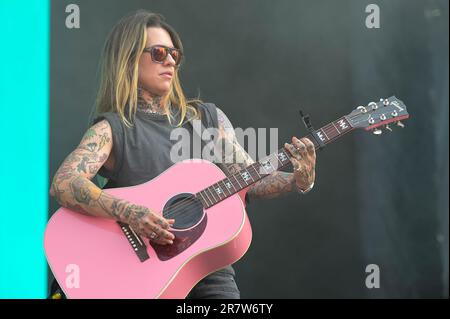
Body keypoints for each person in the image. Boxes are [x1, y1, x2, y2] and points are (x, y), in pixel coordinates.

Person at [49, 9, 316, 299]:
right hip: (142, 280)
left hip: (210, 278)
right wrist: (131, 212)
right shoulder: (113, 128)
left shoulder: (206, 119)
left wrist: (299, 180)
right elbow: (64, 182)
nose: (171, 61)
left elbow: (252, 180)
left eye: (174, 54)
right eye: (159, 53)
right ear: (128, 59)